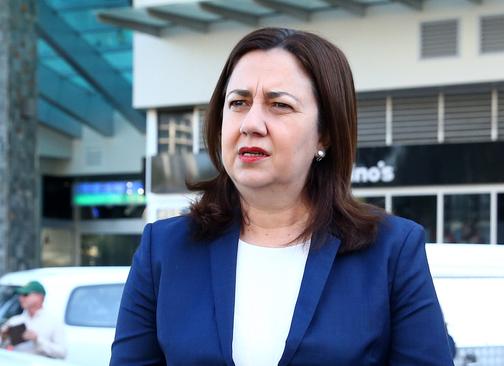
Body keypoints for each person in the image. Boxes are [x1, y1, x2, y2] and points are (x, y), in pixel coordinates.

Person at [110, 27, 453, 366]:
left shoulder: (391, 249)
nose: (251, 123)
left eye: (279, 105)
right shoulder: (165, 249)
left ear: (325, 134)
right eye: (239, 103)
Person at [0, 281, 66, 359]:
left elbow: (62, 353)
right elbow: (3, 348)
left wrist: (37, 339)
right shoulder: (14, 321)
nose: (21, 298)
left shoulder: (53, 322)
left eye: (25, 295)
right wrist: (3, 336)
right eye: (20, 295)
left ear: (39, 297)